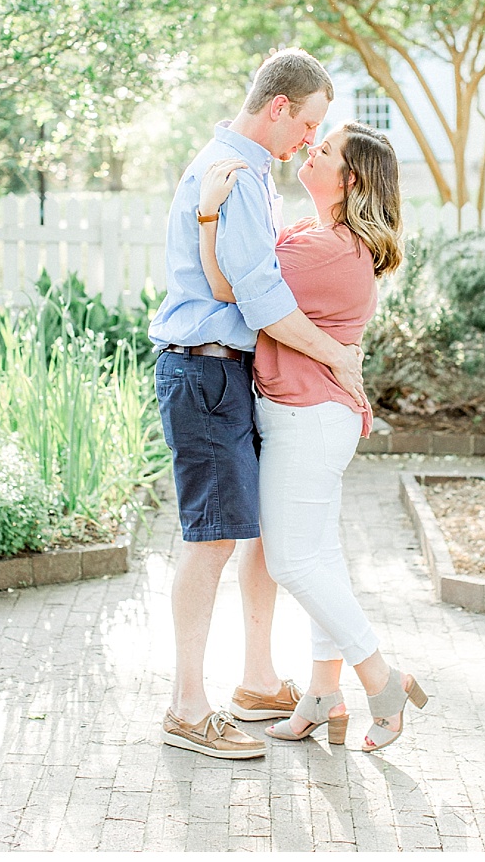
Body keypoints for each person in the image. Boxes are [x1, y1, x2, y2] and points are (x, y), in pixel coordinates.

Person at [150, 48, 370, 760]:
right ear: (280, 107)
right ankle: (187, 708)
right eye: (308, 123)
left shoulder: (248, 172)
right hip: (205, 369)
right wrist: (338, 355)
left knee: (253, 538)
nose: (310, 138)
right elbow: (259, 298)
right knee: (209, 538)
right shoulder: (237, 174)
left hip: (223, 372)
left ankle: (253, 682)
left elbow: (240, 285)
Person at [196, 121, 430, 752]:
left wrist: (208, 216)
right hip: (307, 415)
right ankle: (323, 693)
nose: (310, 148)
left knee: (292, 560)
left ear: (349, 179)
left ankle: (380, 677)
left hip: (307, 418)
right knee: (318, 556)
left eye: (324, 150)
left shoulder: (325, 250)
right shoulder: (316, 236)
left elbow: (229, 288)